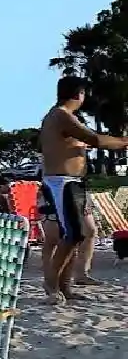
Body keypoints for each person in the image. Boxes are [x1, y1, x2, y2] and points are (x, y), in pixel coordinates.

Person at [39, 76, 128, 304]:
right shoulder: (61, 115)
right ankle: (51, 285)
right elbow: (95, 139)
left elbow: (83, 142)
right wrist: (124, 141)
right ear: (79, 94)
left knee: (77, 235)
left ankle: (66, 287)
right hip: (62, 182)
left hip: (71, 182)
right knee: (72, 234)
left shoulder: (61, 117)